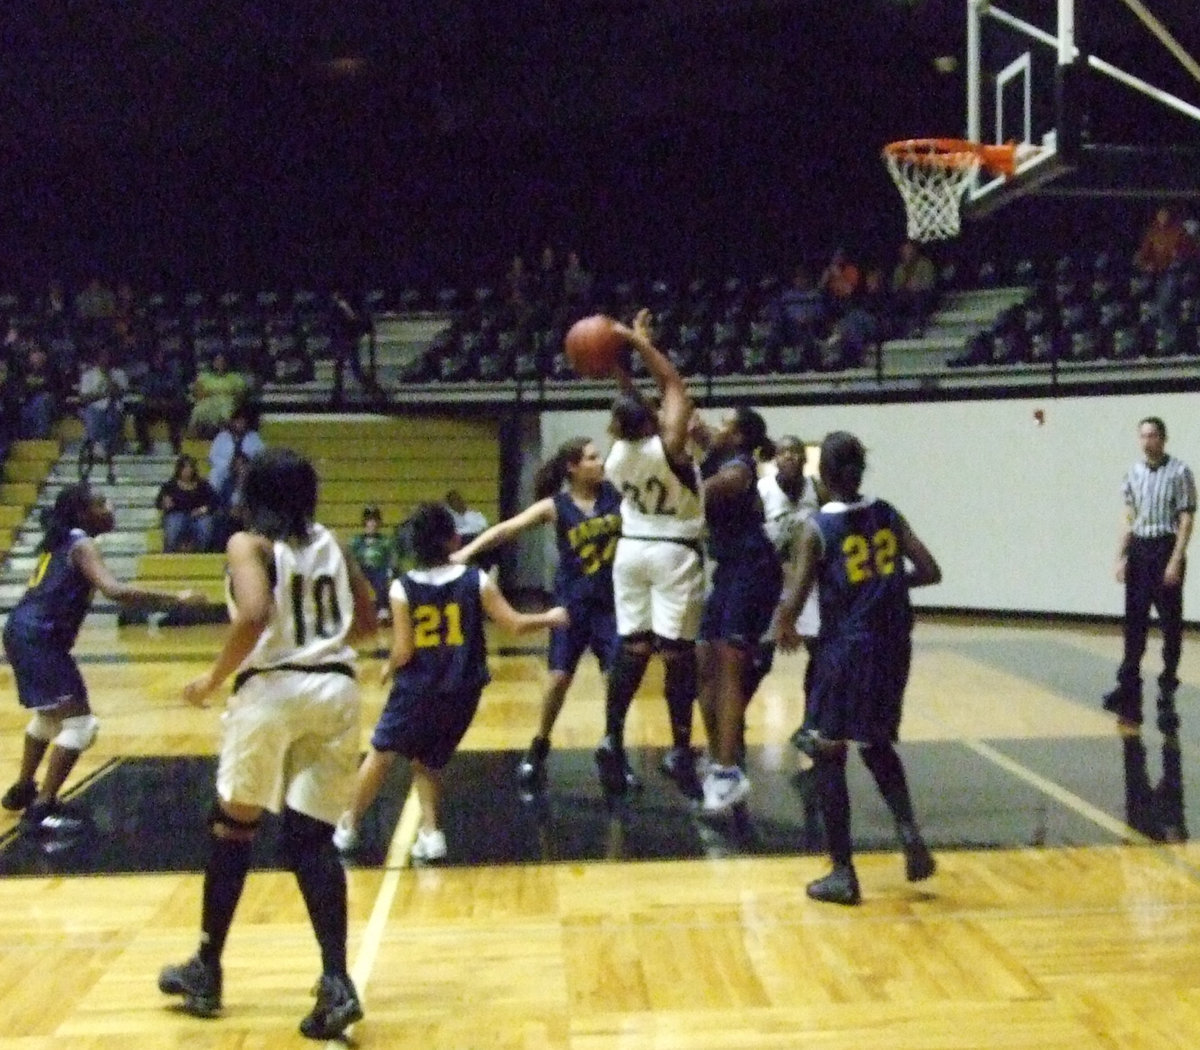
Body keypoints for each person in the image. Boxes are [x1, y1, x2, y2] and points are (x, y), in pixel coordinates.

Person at [158, 448, 378, 1040]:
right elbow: (366, 621)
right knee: (311, 839)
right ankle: (336, 982)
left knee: (233, 825)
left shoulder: (246, 544)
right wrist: (317, 635)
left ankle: (207, 969)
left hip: (273, 691)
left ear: (252, 495)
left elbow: (254, 614)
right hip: (337, 689)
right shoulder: (334, 543)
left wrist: (212, 679)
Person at [332, 502, 567, 860]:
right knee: (428, 760)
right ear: (453, 540)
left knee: (380, 754)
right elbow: (515, 624)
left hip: (417, 689)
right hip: (462, 691)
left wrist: (389, 667)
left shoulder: (402, 588)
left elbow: (404, 650)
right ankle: (431, 834)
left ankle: (348, 827)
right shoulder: (476, 580)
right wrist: (550, 617)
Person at [775, 431, 941, 905]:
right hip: (894, 645)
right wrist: (886, 583)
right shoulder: (887, 512)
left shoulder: (817, 528)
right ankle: (909, 832)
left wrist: (784, 624)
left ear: (822, 475)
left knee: (829, 751)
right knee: (875, 741)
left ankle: (843, 872)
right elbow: (930, 571)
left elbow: (796, 596)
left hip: (847, 648)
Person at [2, 484, 202, 831]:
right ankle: (42, 807)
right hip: (40, 635)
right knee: (81, 725)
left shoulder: (62, 540)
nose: (110, 507)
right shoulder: (81, 544)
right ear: (83, 513)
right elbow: (115, 590)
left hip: (21, 630)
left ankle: (23, 787)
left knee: (49, 717)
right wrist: (176, 598)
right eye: (101, 503)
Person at [452, 437, 622, 793]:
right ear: (572, 467)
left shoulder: (616, 496)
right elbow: (507, 529)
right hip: (570, 606)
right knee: (559, 679)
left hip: (611, 605)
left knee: (617, 680)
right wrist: (467, 551)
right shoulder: (556, 506)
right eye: (592, 458)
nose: (600, 463)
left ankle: (613, 747)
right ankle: (540, 743)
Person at [597, 307, 705, 800]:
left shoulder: (617, 457)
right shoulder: (670, 448)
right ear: (651, 422)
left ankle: (610, 737)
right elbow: (673, 385)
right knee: (677, 655)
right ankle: (680, 748)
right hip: (672, 552)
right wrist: (638, 343)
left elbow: (637, 403)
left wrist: (620, 365)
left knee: (634, 648)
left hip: (630, 552)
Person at [690, 407, 782, 812]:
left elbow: (705, 489)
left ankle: (728, 771)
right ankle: (720, 760)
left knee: (730, 668)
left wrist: (668, 479)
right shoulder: (716, 450)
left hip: (753, 569)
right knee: (703, 663)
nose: (715, 424)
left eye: (725, 422)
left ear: (740, 437)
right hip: (728, 570)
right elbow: (671, 416)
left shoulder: (739, 466)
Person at [1103, 417, 1196, 733]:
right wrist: (1121, 556)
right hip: (1140, 550)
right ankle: (1128, 685)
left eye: (1152, 435)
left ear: (1164, 438)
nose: (1146, 441)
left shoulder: (1180, 472)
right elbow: (1129, 516)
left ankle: (1167, 689)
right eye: (1142, 436)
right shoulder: (1133, 472)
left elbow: (1186, 519)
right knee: (1134, 622)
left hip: (1164, 547)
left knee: (1170, 624)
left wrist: (1176, 559)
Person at [754, 436, 823, 747]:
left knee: (820, 654)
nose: (791, 456)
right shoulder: (762, 490)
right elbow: (755, 537)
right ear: (775, 459)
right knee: (760, 659)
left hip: (808, 582)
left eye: (796, 451)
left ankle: (811, 723)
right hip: (771, 580)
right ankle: (735, 720)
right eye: (784, 452)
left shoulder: (816, 489)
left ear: (805, 459)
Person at [77, 343, 130, 484]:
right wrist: (102, 394)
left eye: (107, 357)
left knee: (113, 421)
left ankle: (103, 450)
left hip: (114, 408)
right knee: (92, 416)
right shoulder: (88, 375)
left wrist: (109, 378)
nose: (105, 360)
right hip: (94, 408)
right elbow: (84, 397)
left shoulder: (119, 374)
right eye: (102, 357)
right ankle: (94, 446)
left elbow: (120, 393)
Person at [156, 454, 218, 553]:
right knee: (174, 524)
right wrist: (164, 503)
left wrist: (203, 510)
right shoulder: (170, 486)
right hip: (177, 514)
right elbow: (158, 503)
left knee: (205, 525)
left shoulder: (203, 485)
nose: (187, 470)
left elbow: (215, 501)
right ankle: (170, 552)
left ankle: (201, 552)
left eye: (190, 467)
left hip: (199, 516)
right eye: (185, 467)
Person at [349, 504, 396, 623]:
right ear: (364, 522)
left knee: (382, 578)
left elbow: (391, 559)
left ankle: (383, 608)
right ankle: (353, 610)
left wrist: (390, 570)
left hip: (379, 570)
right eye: (369, 521)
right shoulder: (356, 541)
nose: (372, 524)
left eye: (375, 521)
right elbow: (351, 558)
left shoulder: (385, 541)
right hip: (361, 570)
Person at [189, 350, 251, 438]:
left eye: (222, 361)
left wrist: (228, 395)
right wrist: (213, 394)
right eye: (217, 361)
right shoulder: (204, 376)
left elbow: (240, 394)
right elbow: (198, 393)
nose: (220, 364)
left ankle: (226, 434)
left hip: (228, 401)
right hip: (209, 401)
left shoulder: (235, 377)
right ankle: (194, 435)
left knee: (226, 410)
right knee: (199, 409)